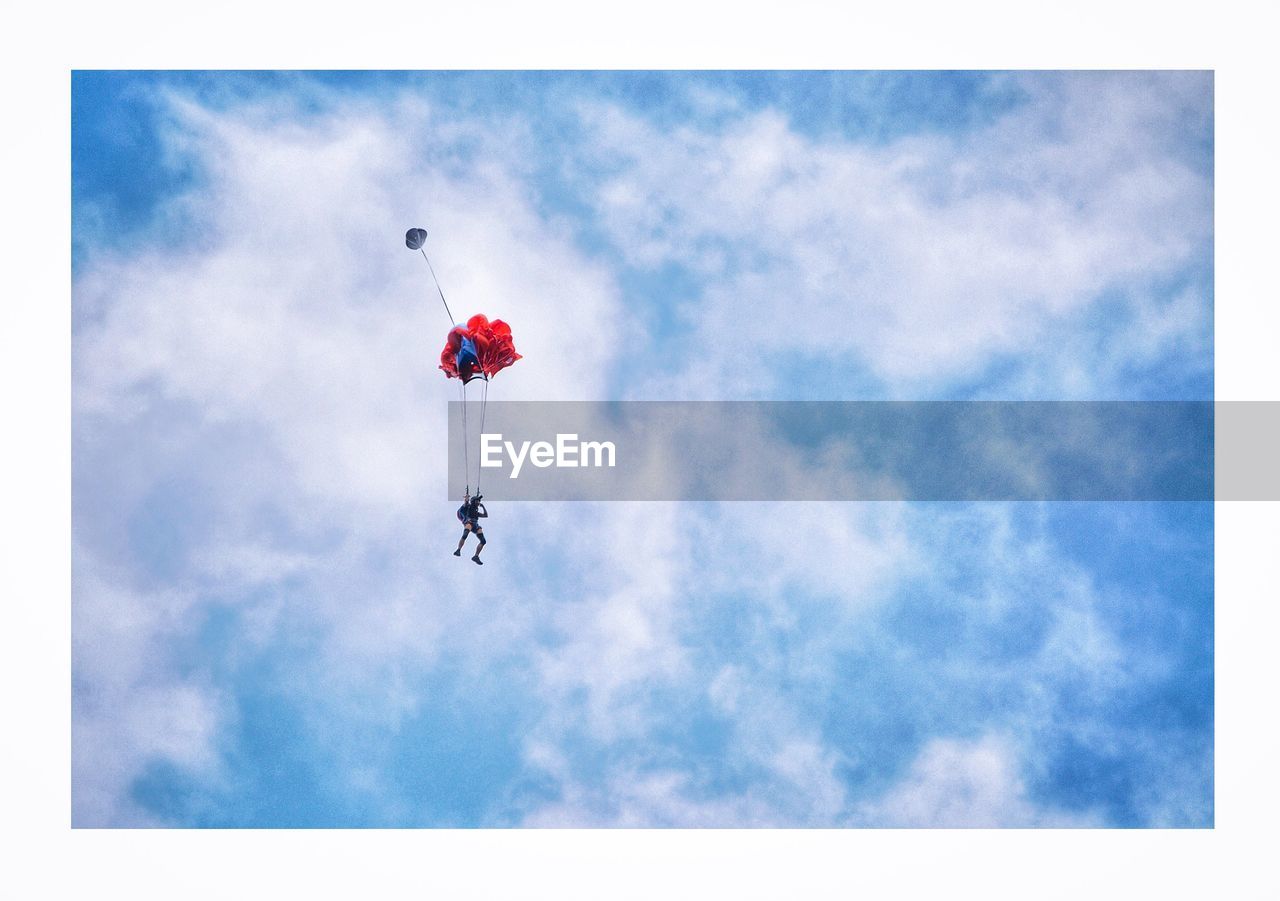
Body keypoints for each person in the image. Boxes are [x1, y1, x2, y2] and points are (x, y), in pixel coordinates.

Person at [453, 493, 488, 564]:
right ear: (474, 501)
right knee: (465, 534)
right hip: (469, 522)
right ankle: (458, 550)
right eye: (477, 501)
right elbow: (466, 502)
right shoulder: (468, 507)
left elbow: (485, 515)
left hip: (476, 525)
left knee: (483, 541)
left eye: (479, 502)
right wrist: (466, 498)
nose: (478, 503)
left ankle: (476, 556)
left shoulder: (476, 512)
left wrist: (483, 506)